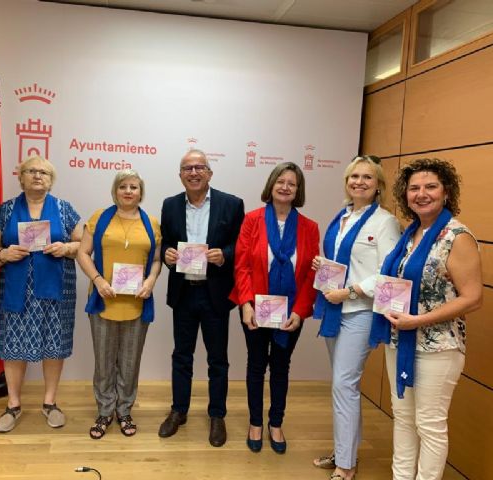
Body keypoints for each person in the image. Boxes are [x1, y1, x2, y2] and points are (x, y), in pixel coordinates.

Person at [370, 158, 482, 480]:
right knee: (404, 418)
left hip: (438, 347)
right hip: (399, 339)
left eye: (430, 186)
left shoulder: (457, 236)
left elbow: (473, 298)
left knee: (429, 424)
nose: (421, 194)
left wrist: (417, 321)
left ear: (446, 192)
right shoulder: (410, 234)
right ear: (405, 195)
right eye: (414, 188)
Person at [311, 155, 400, 479]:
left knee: (344, 384)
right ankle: (343, 452)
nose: (359, 182)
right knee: (343, 386)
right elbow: (344, 260)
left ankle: (346, 465)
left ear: (378, 185)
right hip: (335, 309)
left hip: (360, 311)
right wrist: (323, 266)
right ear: (347, 182)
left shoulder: (386, 222)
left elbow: (388, 272)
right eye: (354, 177)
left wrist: (350, 291)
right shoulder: (343, 216)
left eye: (367, 177)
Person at [230, 162, 319, 454]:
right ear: (271, 185)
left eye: (292, 183)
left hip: (291, 312)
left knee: (281, 367)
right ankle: (256, 422)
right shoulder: (252, 220)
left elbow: (311, 274)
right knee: (256, 365)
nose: (285, 187)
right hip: (255, 309)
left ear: (298, 190)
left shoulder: (309, 227)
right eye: (280, 181)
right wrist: (245, 304)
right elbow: (241, 266)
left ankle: (276, 423)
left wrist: (300, 311)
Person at [0, 156, 82, 433]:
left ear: (51, 180)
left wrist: (66, 248)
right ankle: (13, 404)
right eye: (31, 171)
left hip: (56, 291)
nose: (37, 175)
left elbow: (85, 243)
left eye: (43, 172)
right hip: (16, 290)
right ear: (21, 177)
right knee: (12, 345)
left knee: (54, 343)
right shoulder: (6, 210)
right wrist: (2, 254)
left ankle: (50, 403)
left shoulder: (64, 209)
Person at [158, 149, 244, 447]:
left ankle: (217, 415)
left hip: (214, 293)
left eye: (199, 167)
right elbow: (166, 243)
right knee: (181, 356)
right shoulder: (170, 205)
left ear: (209, 173)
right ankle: (178, 411)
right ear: (180, 175)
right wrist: (167, 255)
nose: (193, 173)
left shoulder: (231, 204)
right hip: (183, 292)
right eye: (187, 168)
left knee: (217, 359)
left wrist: (225, 255)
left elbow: (240, 245)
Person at [77, 169, 161, 439]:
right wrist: (98, 280)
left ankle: (124, 411)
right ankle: (104, 411)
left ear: (141, 192)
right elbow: (82, 253)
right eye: (123, 186)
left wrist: (151, 280)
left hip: (136, 305)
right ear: (115, 191)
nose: (128, 191)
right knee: (103, 363)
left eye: (134, 187)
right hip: (104, 302)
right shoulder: (99, 218)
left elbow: (157, 260)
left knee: (130, 363)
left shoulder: (151, 223)